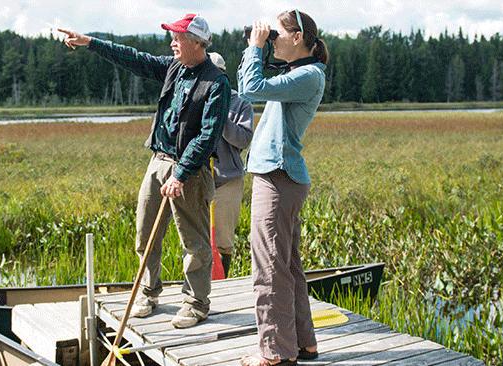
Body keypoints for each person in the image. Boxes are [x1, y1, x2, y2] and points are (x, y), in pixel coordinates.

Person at [58, 14, 230, 329]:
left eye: (177, 38)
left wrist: (181, 173)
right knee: (145, 232)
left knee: (194, 241)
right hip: (159, 161)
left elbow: (208, 135)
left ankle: (196, 304)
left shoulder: (216, 82)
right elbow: (133, 58)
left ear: (196, 41)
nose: (172, 43)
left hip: (189, 170)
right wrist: (90, 42)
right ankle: (148, 294)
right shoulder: (174, 67)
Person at [236, 10, 329, 366]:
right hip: (280, 177)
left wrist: (254, 49)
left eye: (279, 33)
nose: (273, 37)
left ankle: (275, 354)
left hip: (278, 178)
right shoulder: (298, 74)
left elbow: (250, 88)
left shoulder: (307, 75)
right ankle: (303, 344)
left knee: (269, 269)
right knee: (286, 265)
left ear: (300, 37)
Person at [206, 52, 254, 277]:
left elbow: (243, 140)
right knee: (196, 240)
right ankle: (198, 288)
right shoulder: (194, 97)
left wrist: (221, 117)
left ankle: (221, 285)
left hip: (227, 181)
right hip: (198, 181)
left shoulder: (240, 103)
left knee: (223, 241)